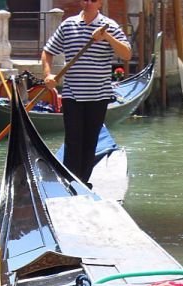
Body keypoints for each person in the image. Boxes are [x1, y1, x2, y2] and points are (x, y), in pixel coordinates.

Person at [40, 0, 131, 185]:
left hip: (98, 95)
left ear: (100, 3)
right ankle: (70, 182)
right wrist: (48, 75)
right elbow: (47, 51)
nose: (88, 2)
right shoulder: (68, 25)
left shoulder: (109, 26)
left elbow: (127, 54)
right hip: (72, 94)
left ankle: (82, 182)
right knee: (73, 140)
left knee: (90, 142)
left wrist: (107, 37)